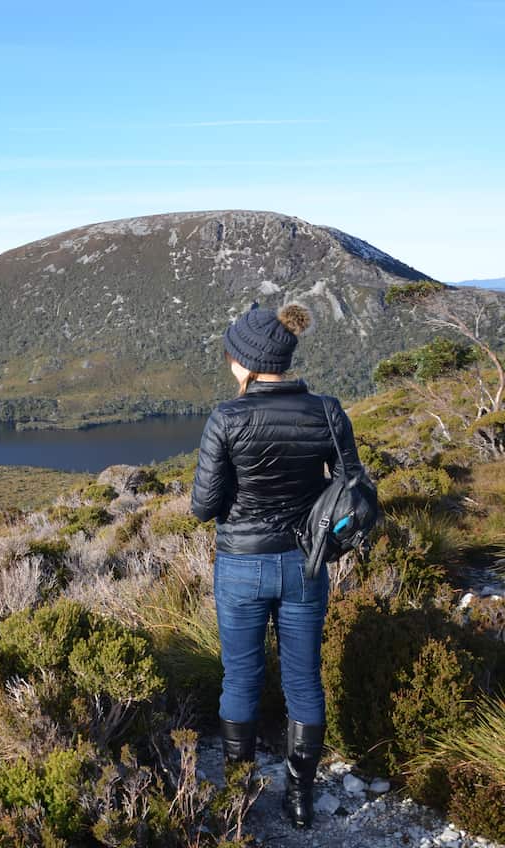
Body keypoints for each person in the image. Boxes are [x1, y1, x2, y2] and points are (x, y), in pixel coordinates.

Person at [189, 301, 363, 828]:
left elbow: (203, 507)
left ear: (244, 360)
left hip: (241, 567)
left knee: (240, 679)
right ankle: (299, 800)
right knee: (304, 683)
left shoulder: (227, 418)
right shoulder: (327, 411)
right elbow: (353, 484)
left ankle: (240, 799)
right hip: (304, 566)